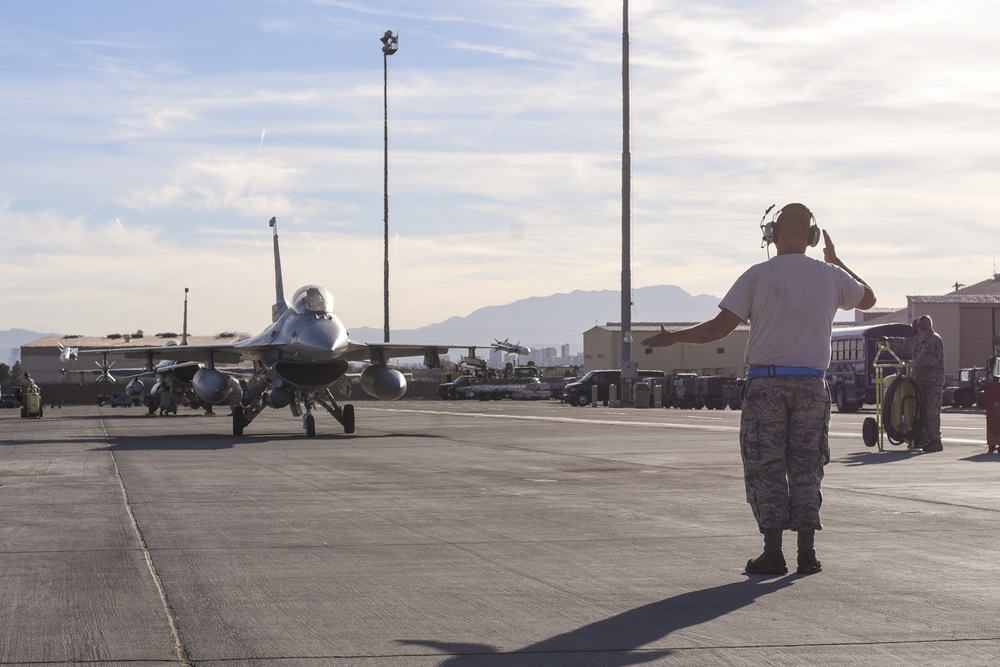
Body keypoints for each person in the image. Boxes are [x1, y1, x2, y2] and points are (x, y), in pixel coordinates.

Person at [642, 203, 876, 575]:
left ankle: (773, 552)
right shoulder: (830, 275)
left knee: (766, 466)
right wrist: (837, 260)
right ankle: (807, 553)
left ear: (772, 234)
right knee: (806, 466)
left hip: (766, 385)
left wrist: (673, 338)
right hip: (813, 386)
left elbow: (718, 329)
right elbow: (868, 299)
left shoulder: (757, 275)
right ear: (812, 237)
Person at [886, 315, 945, 452]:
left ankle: (936, 441)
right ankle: (923, 439)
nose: (918, 330)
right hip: (921, 382)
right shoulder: (922, 340)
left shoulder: (934, 340)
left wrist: (916, 363)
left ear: (925, 327)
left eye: (920, 327)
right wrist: (890, 340)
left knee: (932, 412)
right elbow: (907, 342)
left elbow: (934, 359)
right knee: (920, 411)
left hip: (932, 384)